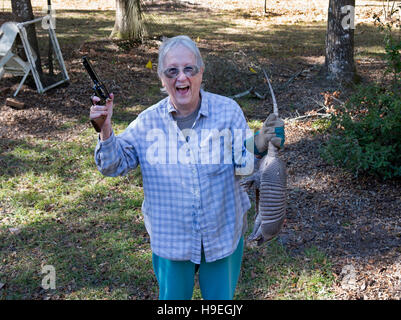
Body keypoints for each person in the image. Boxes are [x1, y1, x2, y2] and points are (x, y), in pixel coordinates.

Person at [90, 35, 285, 300]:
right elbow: (113, 165)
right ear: (161, 78)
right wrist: (105, 129)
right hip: (172, 241)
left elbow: (243, 167)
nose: (181, 78)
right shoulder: (148, 122)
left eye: (188, 69)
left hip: (222, 234)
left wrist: (261, 141)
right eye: (172, 71)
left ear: (201, 72)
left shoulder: (227, 111)